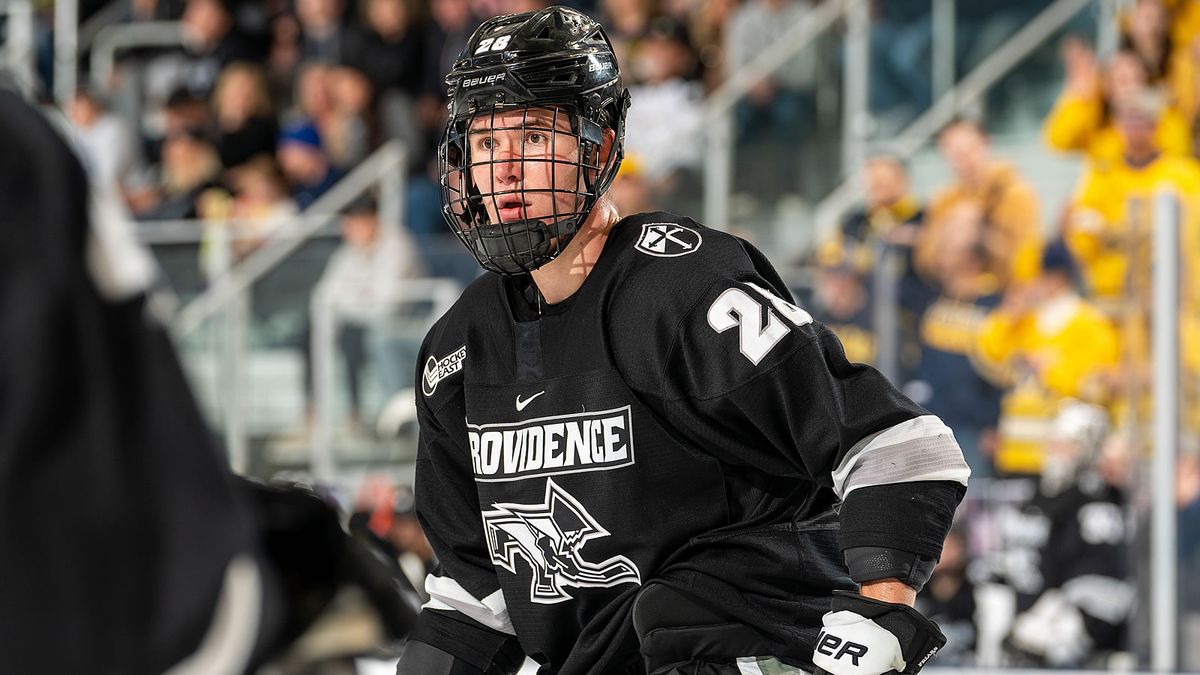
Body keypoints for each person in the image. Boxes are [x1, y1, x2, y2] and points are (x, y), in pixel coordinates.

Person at [399, 7, 970, 675]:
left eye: (531, 136)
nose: (505, 170)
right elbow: (475, 598)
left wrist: (883, 615)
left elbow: (897, 446)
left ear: (600, 147)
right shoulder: (458, 350)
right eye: (487, 144)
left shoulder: (682, 288)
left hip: (746, 649)